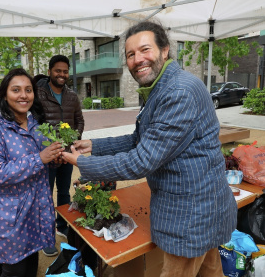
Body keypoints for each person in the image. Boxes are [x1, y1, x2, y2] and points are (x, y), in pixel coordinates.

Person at [62, 21, 237, 277]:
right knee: (211, 271)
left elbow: (140, 161)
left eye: (145, 50)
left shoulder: (179, 91)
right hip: (202, 210)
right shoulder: (160, 87)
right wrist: (94, 145)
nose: (137, 59)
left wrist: (83, 164)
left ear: (165, 50)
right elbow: (140, 139)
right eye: (131, 54)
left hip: (191, 216)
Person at [0, 68, 63, 277]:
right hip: (10, 217)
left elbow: (44, 161)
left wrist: (54, 160)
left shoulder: (34, 123)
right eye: (16, 90)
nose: (23, 95)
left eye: (28, 90)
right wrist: (39, 158)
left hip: (36, 211)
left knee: (31, 263)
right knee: (14, 270)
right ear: (5, 94)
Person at [36, 55, 85, 256]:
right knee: (45, 196)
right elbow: (34, 126)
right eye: (58, 70)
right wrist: (48, 149)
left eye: (65, 71)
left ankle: (61, 226)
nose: (62, 74)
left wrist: (73, 141)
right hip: (46, 155)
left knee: (64, 192)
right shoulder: (38, 94)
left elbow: (79, 121)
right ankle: (46, 236)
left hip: (66, 155)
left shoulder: (72, 96)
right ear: (49, 72)